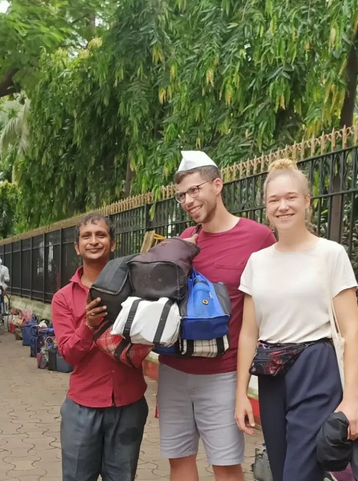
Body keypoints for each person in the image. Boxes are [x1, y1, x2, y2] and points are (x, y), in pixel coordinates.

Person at [235, 159, 358, 481]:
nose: (283, 206)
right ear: (265, 206)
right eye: (274, 200)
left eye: (291, 197)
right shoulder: (257, 262)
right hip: (271, 371)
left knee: (299, 473)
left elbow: (351, 329)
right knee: (281, 471)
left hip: (315, 368)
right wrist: (241, 394)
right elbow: (248, 333)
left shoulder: (330, 254)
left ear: (307, 201)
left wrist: (351, 399)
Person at [157, 151, 276, 481]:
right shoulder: (182, 241)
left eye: (195, 190)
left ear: (217, 185)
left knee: (225, 465)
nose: (188, 200)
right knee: (179, 460)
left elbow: (269, 304)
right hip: (174, 368)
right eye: (181, 195)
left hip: (223, 374)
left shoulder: (258, 238)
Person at [52, 213, 148, 481]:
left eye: (101, 235)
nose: (94, 241)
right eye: (86, 236)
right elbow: (69, 354)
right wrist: (89, 325)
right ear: (77, 247)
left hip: (129, 403)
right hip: (83, 408)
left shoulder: (135, 286)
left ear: (113, 243)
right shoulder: (63, 298)